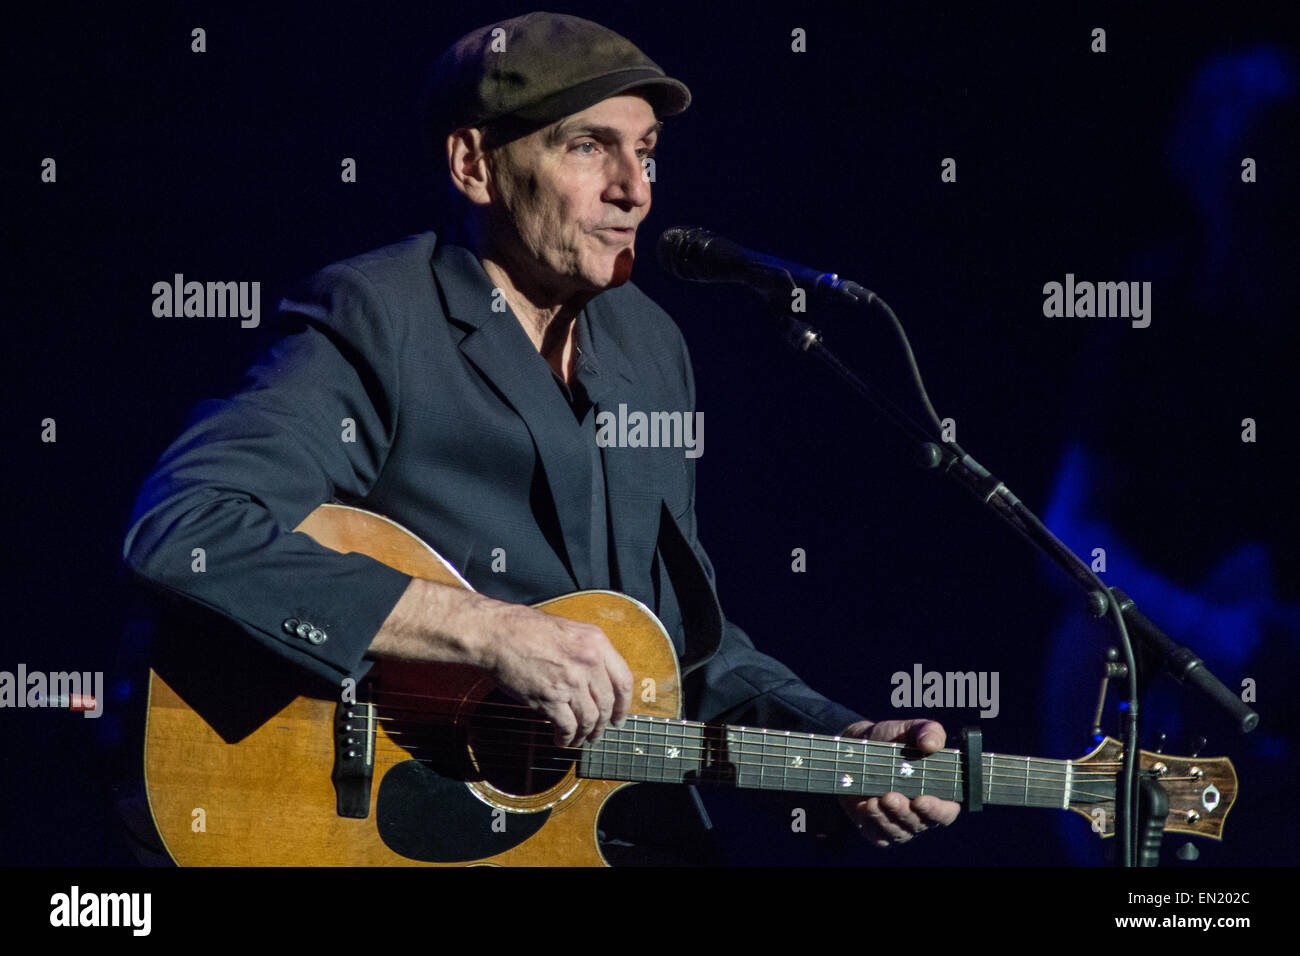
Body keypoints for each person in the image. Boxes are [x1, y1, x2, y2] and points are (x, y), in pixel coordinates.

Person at [123, 11, 959, 859]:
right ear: (474, 164)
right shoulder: (381, 316)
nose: (635, 188)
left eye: (647, 153)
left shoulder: (650, 348)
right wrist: (489, 631)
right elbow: (187, 530)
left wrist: (838, 736)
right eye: (590, 147)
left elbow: (680, 653)